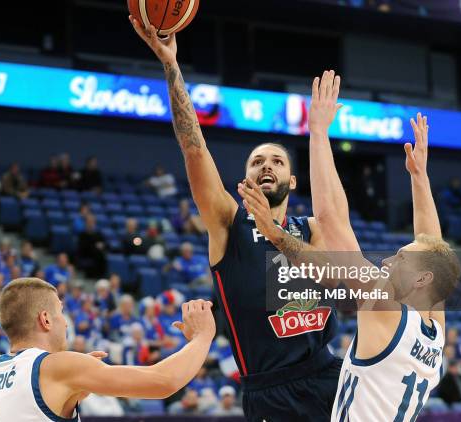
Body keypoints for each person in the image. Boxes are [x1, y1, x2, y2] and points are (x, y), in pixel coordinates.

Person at [130, 18, 340, 421]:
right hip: (269, 391)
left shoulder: (312, 228)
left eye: (277, 161)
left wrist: (276, 232)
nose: (267, 165)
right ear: (245, 179)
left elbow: (338, 276)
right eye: (257, 161)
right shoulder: (229, 224)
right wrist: (171, 65)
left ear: (292, 180)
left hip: (328, 375)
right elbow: (194, 149)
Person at [240, 74, 461, 421]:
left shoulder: (386, 311)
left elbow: (330, 221)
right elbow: (431, 243)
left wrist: (318, 134)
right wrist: (420, 178)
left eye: (401, 258)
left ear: (420, 280)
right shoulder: (433, 328)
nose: (389, 259)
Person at [0, 277, 215, 421]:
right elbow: (164, 382)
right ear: (46, 320)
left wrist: (71, 390)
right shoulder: (57, 366)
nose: (65, 321)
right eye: (60, 312)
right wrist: (202, 337)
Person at [77, 214, 107, 279]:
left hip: (97, 254)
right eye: (89, 222)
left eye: (92, 222)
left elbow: (104, 243)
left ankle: (101, 276)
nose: (91, 223)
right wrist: (94, 246)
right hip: (86, 254)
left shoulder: (98, 233)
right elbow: (82, 247)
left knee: (102, 255)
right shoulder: (83, 234)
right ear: (86, 223)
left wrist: (102, 245)